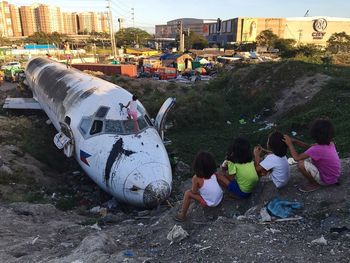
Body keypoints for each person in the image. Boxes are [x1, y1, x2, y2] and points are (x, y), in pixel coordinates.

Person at [283, 119, 341, 193]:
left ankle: (314, 184)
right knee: (309, 159)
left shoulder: (317, 149)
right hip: (334, 176)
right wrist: (295, 141)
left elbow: (296, 158)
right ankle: (323, 178)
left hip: (326, 180)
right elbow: (309, 147)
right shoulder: (330, 143)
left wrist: (290, 144)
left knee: (301, 164)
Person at [175, 151, 223, 222]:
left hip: (211, 203)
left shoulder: (196, 178)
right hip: (220, 198)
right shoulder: (213, 174)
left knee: (188, 193)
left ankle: (182, 215)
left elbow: (194, 191)